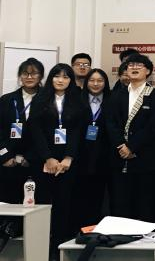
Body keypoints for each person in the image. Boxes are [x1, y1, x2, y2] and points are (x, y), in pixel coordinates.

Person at [27, 63, 89, 254]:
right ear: (51, 78)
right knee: (43, 204)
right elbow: (35, 130)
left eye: (65, 77)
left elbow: (78, 131)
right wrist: (48, 158)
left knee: (64, 204)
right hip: (44, 160)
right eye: (57, 76)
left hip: (68, 162)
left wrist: (68, 158)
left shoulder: (77, 100)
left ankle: (59, 248)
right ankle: (41, 247)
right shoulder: (40, 99)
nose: (60, 80)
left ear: (71, 80)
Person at [105, 53, 155, 224]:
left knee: (145, 205)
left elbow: (153, 127)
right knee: (120, 204)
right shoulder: (117, 95)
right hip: (119, 158)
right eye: (131, 65)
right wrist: (121, 145)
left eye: (139, 65)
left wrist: (131, 147)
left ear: (148, 71)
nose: (134, 67)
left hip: (145, 159)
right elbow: (110, 122)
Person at [0, 58, 44, 204]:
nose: (29, 77)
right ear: (20, 76)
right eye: (25, 73)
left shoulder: (48, 100)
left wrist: (30, 157)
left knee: (36, 206)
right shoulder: (6, 100)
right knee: (8, 205)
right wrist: (5, 156)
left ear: (41, 76)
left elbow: (49, 133)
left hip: (37, 162)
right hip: (9, 162)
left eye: (34, 73)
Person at [73, 68, 112, 229]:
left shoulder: (112, 101)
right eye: (92, 80)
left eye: (100, 80)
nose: (96, 84)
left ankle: (97, 228)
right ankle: (80, 228)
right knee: (80, 194)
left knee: (100, 195)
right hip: (80, 155)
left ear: (105, 83)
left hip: (104, 156)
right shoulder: (77, 100)